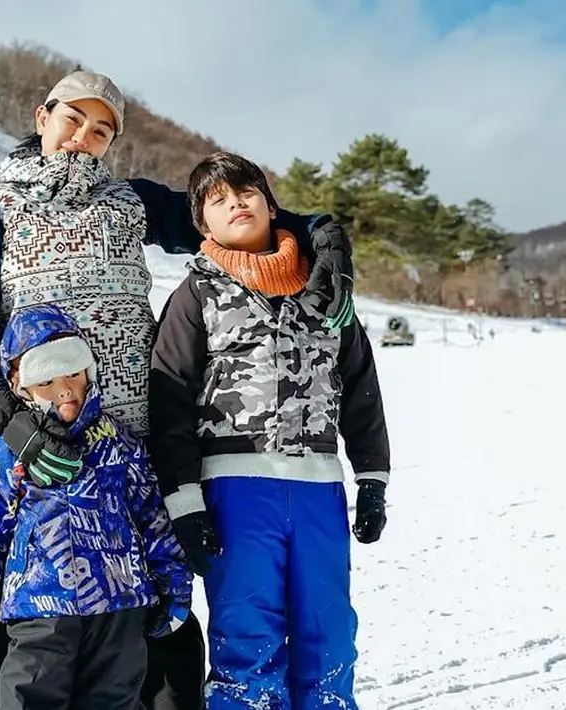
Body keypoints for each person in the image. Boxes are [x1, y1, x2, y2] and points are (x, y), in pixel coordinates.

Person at [0, 69, 358, 710]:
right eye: (72, 119)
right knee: (31, 602)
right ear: (40, 116)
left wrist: (319, 230)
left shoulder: (127, 201)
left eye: (102, 129)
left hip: (133, 435)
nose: (84, 136)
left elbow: (228, 219)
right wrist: (3, 417)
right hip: (39, 435)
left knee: (153, 595)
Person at [147, 151, 391, 710]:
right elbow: (170, 401)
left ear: (270, 204)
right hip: (235, 489)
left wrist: (372, 478)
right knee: (246, 637)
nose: (236, 202)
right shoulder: (196, 295)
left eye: (246, 191)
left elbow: (360, 385)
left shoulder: (327, 289)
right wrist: (184, 502)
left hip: (318, 489)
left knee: (328, 635)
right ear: (201, 225)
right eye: (217, 199)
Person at [0, 303, 192, 708]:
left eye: (73, 374)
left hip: (120, 606)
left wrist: (174, 585)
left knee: (114, 699)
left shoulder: (118, 443)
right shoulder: (5, 455)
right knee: (29, 697)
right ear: (19, 386)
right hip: (39, 608)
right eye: (46, 379)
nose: (64, 389)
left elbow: (153, 519)